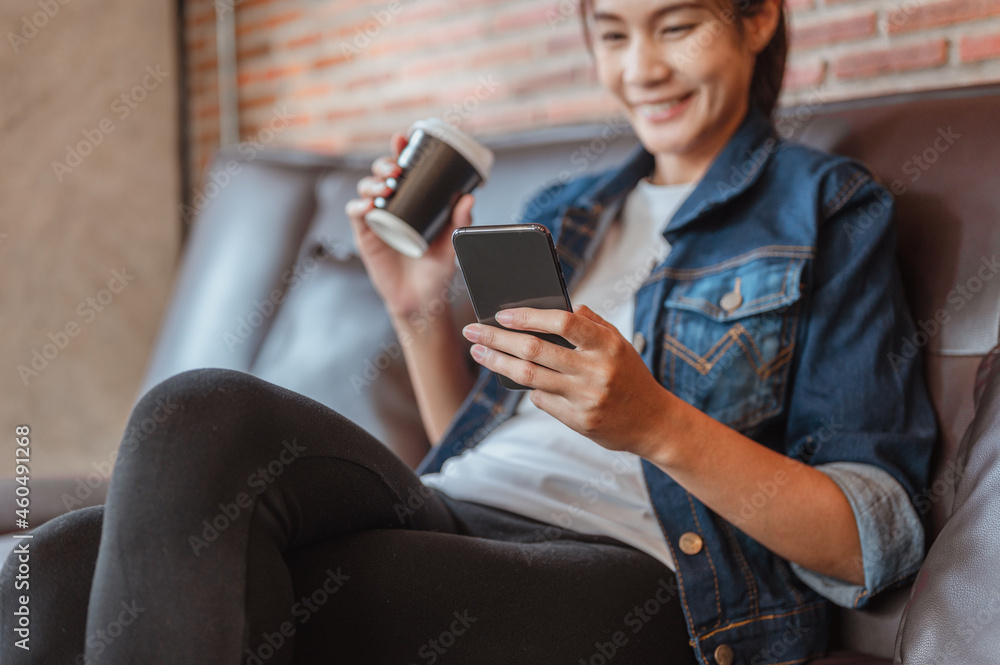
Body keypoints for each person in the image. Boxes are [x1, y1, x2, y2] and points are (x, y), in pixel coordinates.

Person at [1, 0, 936, 663]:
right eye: (610, 33)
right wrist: (417, 307)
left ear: (759, 17)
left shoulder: (824, 208)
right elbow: (490, 435)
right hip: (460, 511)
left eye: (677, 26)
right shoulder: (572, 210)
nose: (641, 69)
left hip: (643, 576)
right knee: (79, 535)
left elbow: (873, 536)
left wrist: (657, 422)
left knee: (117, 553)